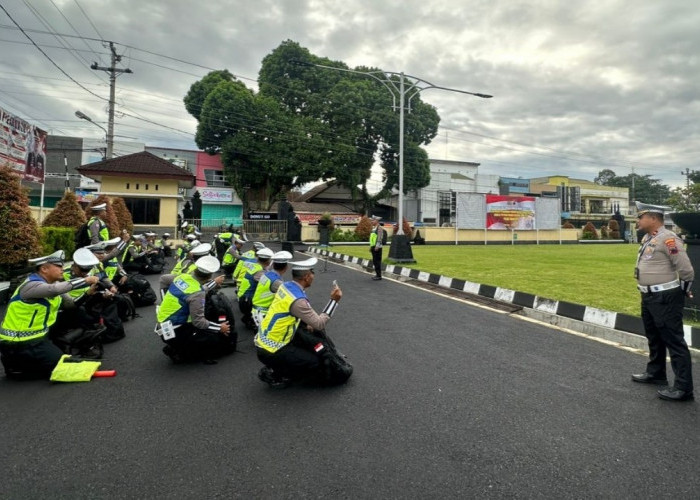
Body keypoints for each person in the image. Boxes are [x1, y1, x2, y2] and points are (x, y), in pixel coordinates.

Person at [0, 250, 100, 379]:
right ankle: (17, 366)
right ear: (44, 269)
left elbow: (70, 305)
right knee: (61, 366)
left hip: (40, 335)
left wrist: (88, 294)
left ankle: (78, 345)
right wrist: (85, 281)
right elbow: (54, 290)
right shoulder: (31, 285)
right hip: (19, 342)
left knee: (77, 313)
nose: (62, 269)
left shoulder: (54, 284)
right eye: (58, 266)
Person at [254, 257, 351, 388]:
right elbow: (319, 324)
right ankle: (275, 373)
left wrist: (307, 324)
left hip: (264, 342)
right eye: (312, 272)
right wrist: (334, 301)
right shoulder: (298, 300)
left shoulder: (285, 286)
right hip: (272, 349)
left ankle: (279, 365)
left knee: (307, 342)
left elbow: (294, 313)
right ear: (306, 277)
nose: (313, 276)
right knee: (314, 362)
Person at [632, 201, 695, 401]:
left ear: (653, 218)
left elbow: (686, 269)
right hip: (648, 295)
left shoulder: (668, 239)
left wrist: (682, 291)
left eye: (641, 216)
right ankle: (656, 373)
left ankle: (683, 387)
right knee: (654, 337)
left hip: (665, 297)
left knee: (674, 341)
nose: (638, 220)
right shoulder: (649, 238)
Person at [156, 255, 233, 363]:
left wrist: (214, 283)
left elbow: (198, 289)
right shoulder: (197, 293)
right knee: (215, 339)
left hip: (164, 325)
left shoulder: (182, 277)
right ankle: (180, 350)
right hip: (175, 332)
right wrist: (220, 327)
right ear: (209, 276)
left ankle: (178, 346)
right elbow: (199, 322)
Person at [251, 251, 292, 327]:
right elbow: (291, 296)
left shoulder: (267, 274)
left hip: (257, 309)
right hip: (263, 313)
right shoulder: (276, 282)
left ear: (273, 265)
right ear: (286, 267)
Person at [237, 247, 274, 330]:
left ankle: (248, 317)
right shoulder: (259, 272)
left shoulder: (255, 266)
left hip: (242, 297)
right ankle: (251, 319)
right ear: (268, 261)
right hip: (247, 301)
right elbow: (269, 283)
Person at [369, 215, 385, 280]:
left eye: (373, 220)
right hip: (373, 246)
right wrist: (371, 247)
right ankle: (377, 274)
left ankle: (379, 276)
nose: (372, 221)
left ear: (377, 221)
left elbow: (379, 238)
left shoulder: (379, 228)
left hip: (377, 247)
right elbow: (372, 238)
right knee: (375, 261)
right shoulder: (373, 228)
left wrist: (377, 246)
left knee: (377, 261)